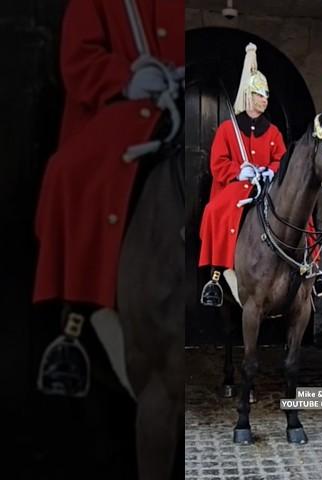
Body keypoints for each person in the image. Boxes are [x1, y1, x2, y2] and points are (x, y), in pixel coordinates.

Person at [33, 0, 184, 396]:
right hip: (129, 103)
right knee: (68, 173)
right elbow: (79, 58)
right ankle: (76, 314)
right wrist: (126, 78)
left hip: (182, 98)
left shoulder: (268, 129)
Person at [199, 43, 286, 307]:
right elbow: (218, 164)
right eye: (260, 95)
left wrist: (269, 171)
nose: (265, 99)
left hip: (266, 185)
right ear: (249, 95)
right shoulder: (228, 129)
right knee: (215, 210)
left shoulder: (272, 132)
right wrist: (241, 171)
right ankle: (215, 274)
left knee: (299, 212)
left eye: (267, 96)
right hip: (238, 185)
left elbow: (280, 159)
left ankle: (311, 270)